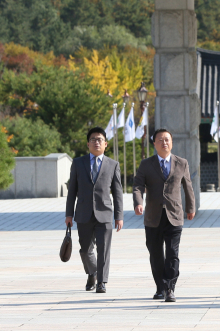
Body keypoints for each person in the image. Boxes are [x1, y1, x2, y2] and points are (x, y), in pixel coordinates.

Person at [133, 128, 196, 302]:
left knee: (172, 252)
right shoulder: (146, 164)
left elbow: (188, 186)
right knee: (155, 253)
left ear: (172, 142)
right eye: (160, 140)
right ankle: (160, 287)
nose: (164, 143)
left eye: (167, 139)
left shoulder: (181, 163)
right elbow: (138, 185)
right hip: (153, 216)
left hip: (174, 215)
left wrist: (191, 207)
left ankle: (170, 287)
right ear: (154, 143)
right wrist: (138, 202)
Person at [65, 127, 123, 294]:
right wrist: (69, 214)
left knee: (103, 249)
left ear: (105, 144)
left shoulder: (113, 165)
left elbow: (118, 193)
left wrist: (119, 216)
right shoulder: (78, 163)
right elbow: (72, 191)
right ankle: (92, 273)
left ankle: (102, 282)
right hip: (83, 213)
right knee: (85, 249)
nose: (96, 142)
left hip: (104, 213)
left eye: (100, 140)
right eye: (93, 139)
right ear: (88, 144)